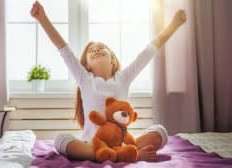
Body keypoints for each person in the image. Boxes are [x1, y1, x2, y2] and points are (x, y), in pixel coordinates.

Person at [30, 1, 186, 161]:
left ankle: (116, 154)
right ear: (87, 66)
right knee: (60, 139)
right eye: (91, 51)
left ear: (112, 59)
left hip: (120, 143)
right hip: (92, 145)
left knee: (160, 131)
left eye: (101, 48)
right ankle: (120, 155)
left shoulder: (123, 77)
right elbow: (64, 50)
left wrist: (174, 25)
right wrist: (43, 19)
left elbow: (148, 52)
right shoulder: (85, 79)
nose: (96, 50)